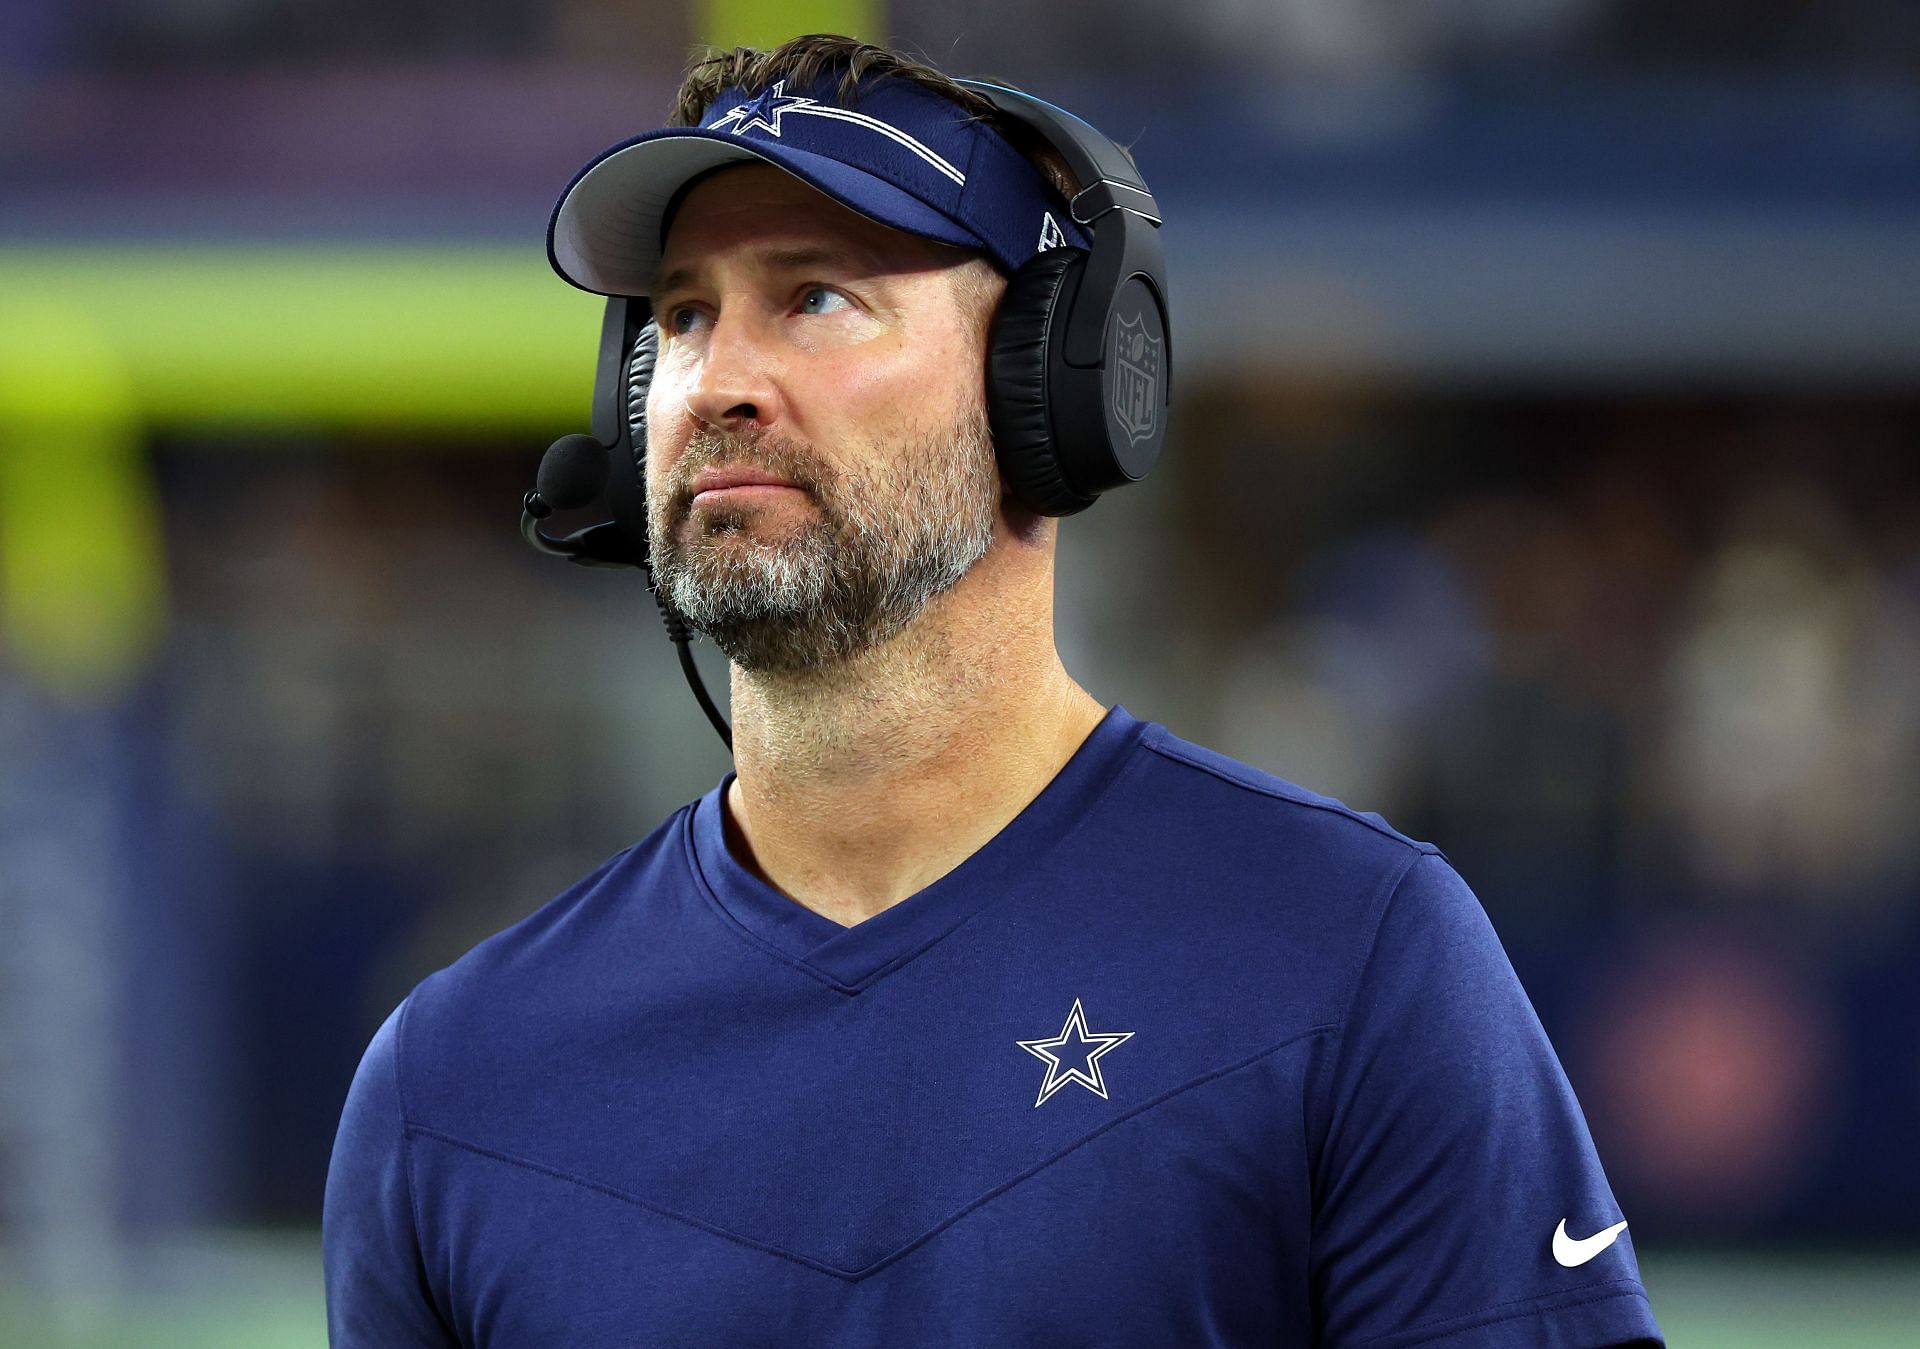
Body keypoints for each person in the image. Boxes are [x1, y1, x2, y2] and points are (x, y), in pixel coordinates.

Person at [323, 34, 1664, 1348]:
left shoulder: (1352, 957)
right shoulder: (457, 1080)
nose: (720, 380)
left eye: (817, 297)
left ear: (1050, 383)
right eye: (682, 315)